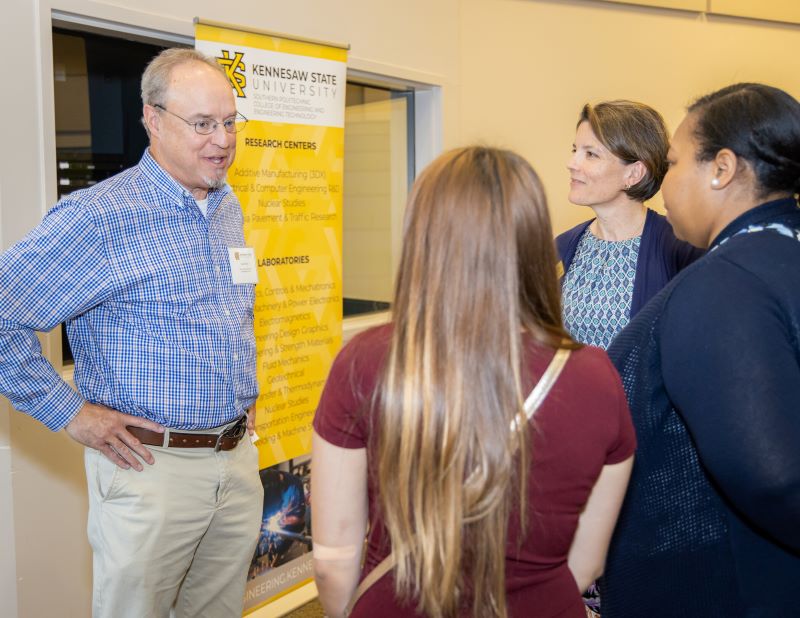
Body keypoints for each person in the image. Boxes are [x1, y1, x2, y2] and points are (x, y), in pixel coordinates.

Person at [311, 146, 636, 617]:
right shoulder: (594, 377)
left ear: (423, 237)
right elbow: (586, 562)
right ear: (530, 240)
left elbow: (333, 562)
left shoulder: (365, 362)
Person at [0, 48, 262, 617]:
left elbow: (228, 318)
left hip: (235, 463)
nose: (222, 140)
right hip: (149, 473)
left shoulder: (226, 205)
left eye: (229, 122)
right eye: (202, 124)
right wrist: (69, 413)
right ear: (153, 120)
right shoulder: (99, 217)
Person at [603, 83, 800, 617]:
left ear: (722, 169)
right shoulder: (778, 254)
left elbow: (773, 478)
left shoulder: (723, 285)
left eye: (671, 163)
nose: (662, 183)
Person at [558, 100, 702, 350]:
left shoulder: (679, 248)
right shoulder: (563, 246)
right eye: (575, 150)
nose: (572, 164)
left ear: (634, 174)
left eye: (590, 154)